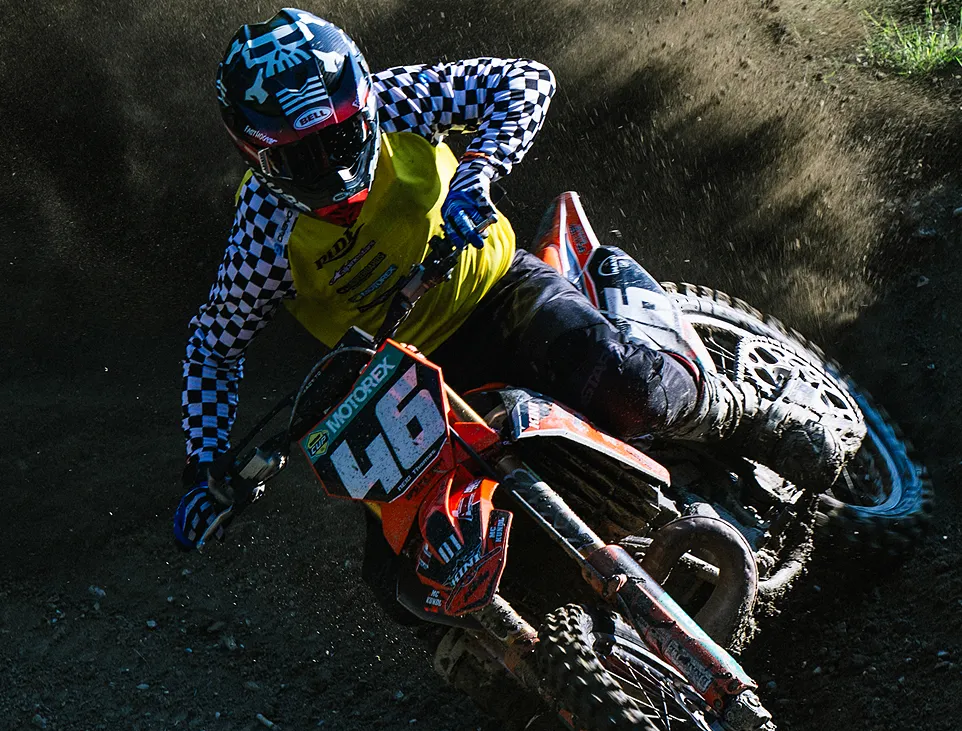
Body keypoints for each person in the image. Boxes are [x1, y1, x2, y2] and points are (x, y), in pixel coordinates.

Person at [174, 7, 847, 553]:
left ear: (363, 102)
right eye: (300, 159)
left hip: (498, 291)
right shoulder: (261, 237)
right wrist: (206, 466)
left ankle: (750, 415)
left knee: (628, 387)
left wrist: (478, 169)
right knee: (410, 562)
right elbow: (213, 345)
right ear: (253, 154)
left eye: (345, 138)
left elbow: (526, 80)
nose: (330, 172)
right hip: (402, 380)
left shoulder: (397, 100)